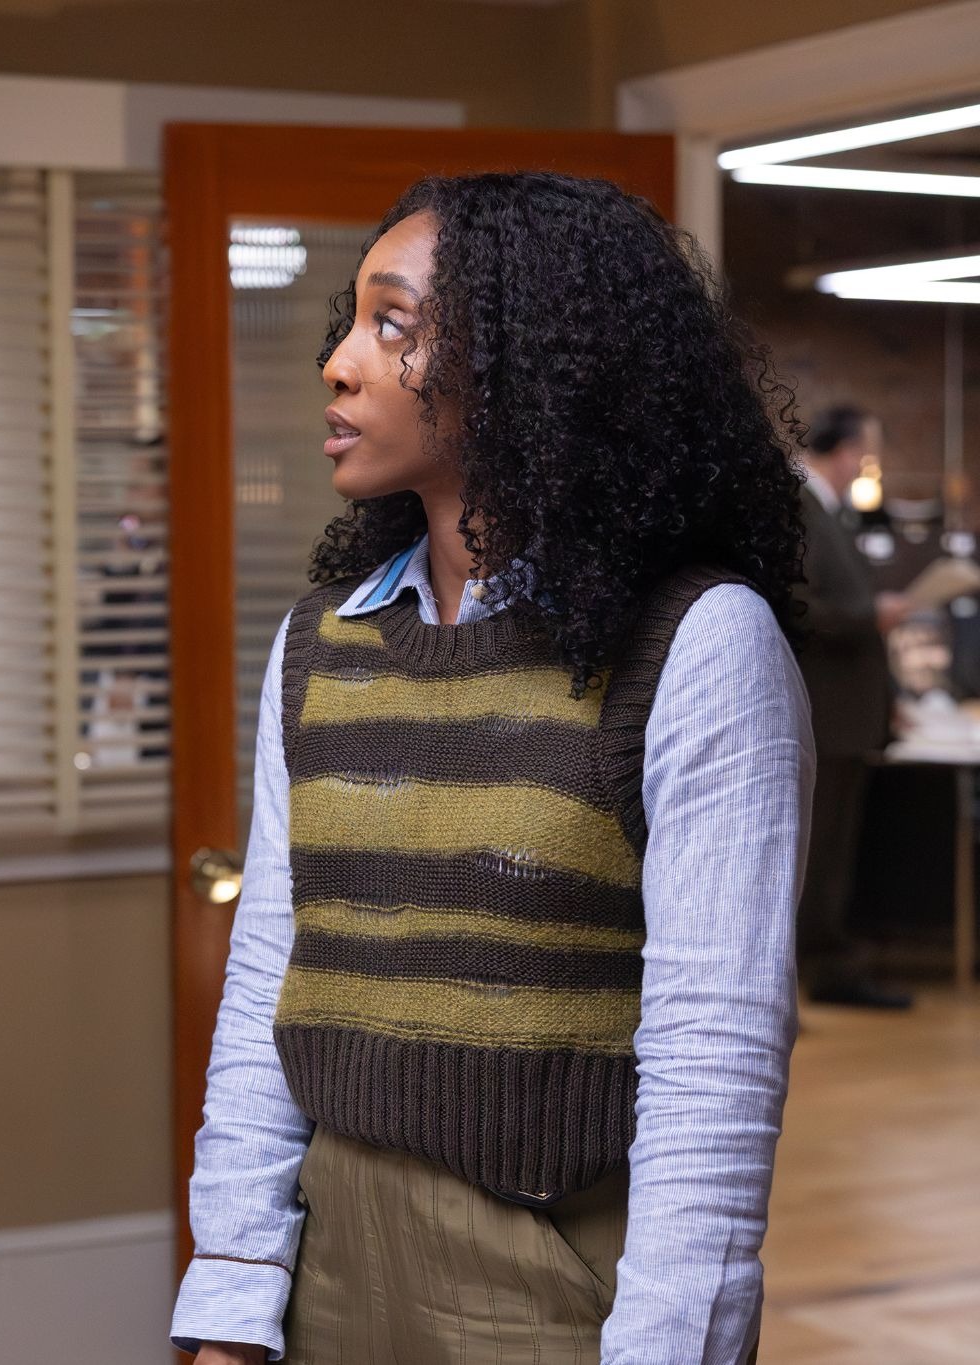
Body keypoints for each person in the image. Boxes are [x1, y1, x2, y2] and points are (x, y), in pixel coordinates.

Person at [171, 173, 810, 1363]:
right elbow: (268, 976)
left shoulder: (696, 644)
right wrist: (230, 1292)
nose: (338, 364)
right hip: (326, 1257)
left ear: (530, 366)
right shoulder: (320, 642)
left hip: (552, 1278)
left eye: (391, 325)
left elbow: (712, 1056)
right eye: (350, 323)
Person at [796, 405, 912, 1008]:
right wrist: (870, 617)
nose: (862, 466)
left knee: (832, 852)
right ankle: (822, 968)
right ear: (841, 452)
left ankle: (829, 962)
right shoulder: (800, 506)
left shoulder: (828, 511)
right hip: (826, 713)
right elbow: (797, 606)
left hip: (844, 715)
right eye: (862, 453)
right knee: (818, 853)